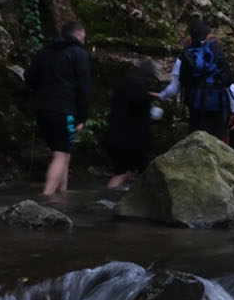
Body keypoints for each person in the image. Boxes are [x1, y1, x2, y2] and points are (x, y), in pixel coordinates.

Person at [26, 21, 93, 195]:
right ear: (78, 34)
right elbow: (83, 88)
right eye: (84, 38)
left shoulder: (44, 52)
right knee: (61, 154)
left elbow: (29, 78)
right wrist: (82, 117)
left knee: (63, 151)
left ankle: (62, 193)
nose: (84, 42)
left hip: (42, 109)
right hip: (64, 110)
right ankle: (47, 197)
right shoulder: (78, 54)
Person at [161, 20, 234, 139]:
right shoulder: (217, 53)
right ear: (208, 36)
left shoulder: (184, 56)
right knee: (220, 145)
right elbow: (230, 85)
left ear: (191, 37)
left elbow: (174, 88)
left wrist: (162, 95)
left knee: (196, 141)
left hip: (196, 109)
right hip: (219, 109)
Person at [104, 58, 162, 188]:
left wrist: (150, 95)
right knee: (132, 172)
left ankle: (107, 199)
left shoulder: (124, 85)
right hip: (131, 142)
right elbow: (138, 101)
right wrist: (150, 98)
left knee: (123, 172)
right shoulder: (138, 86)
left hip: (116, 137)